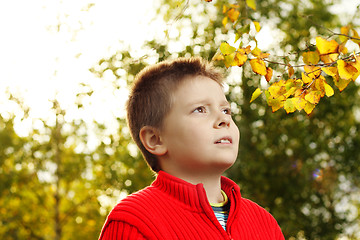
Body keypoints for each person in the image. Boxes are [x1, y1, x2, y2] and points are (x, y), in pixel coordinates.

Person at [98, 57, 285, 240]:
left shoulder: (263, 222)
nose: (224, 119)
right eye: (200, 110)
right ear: (155, 140)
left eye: (226, 110)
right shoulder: (134, 221)